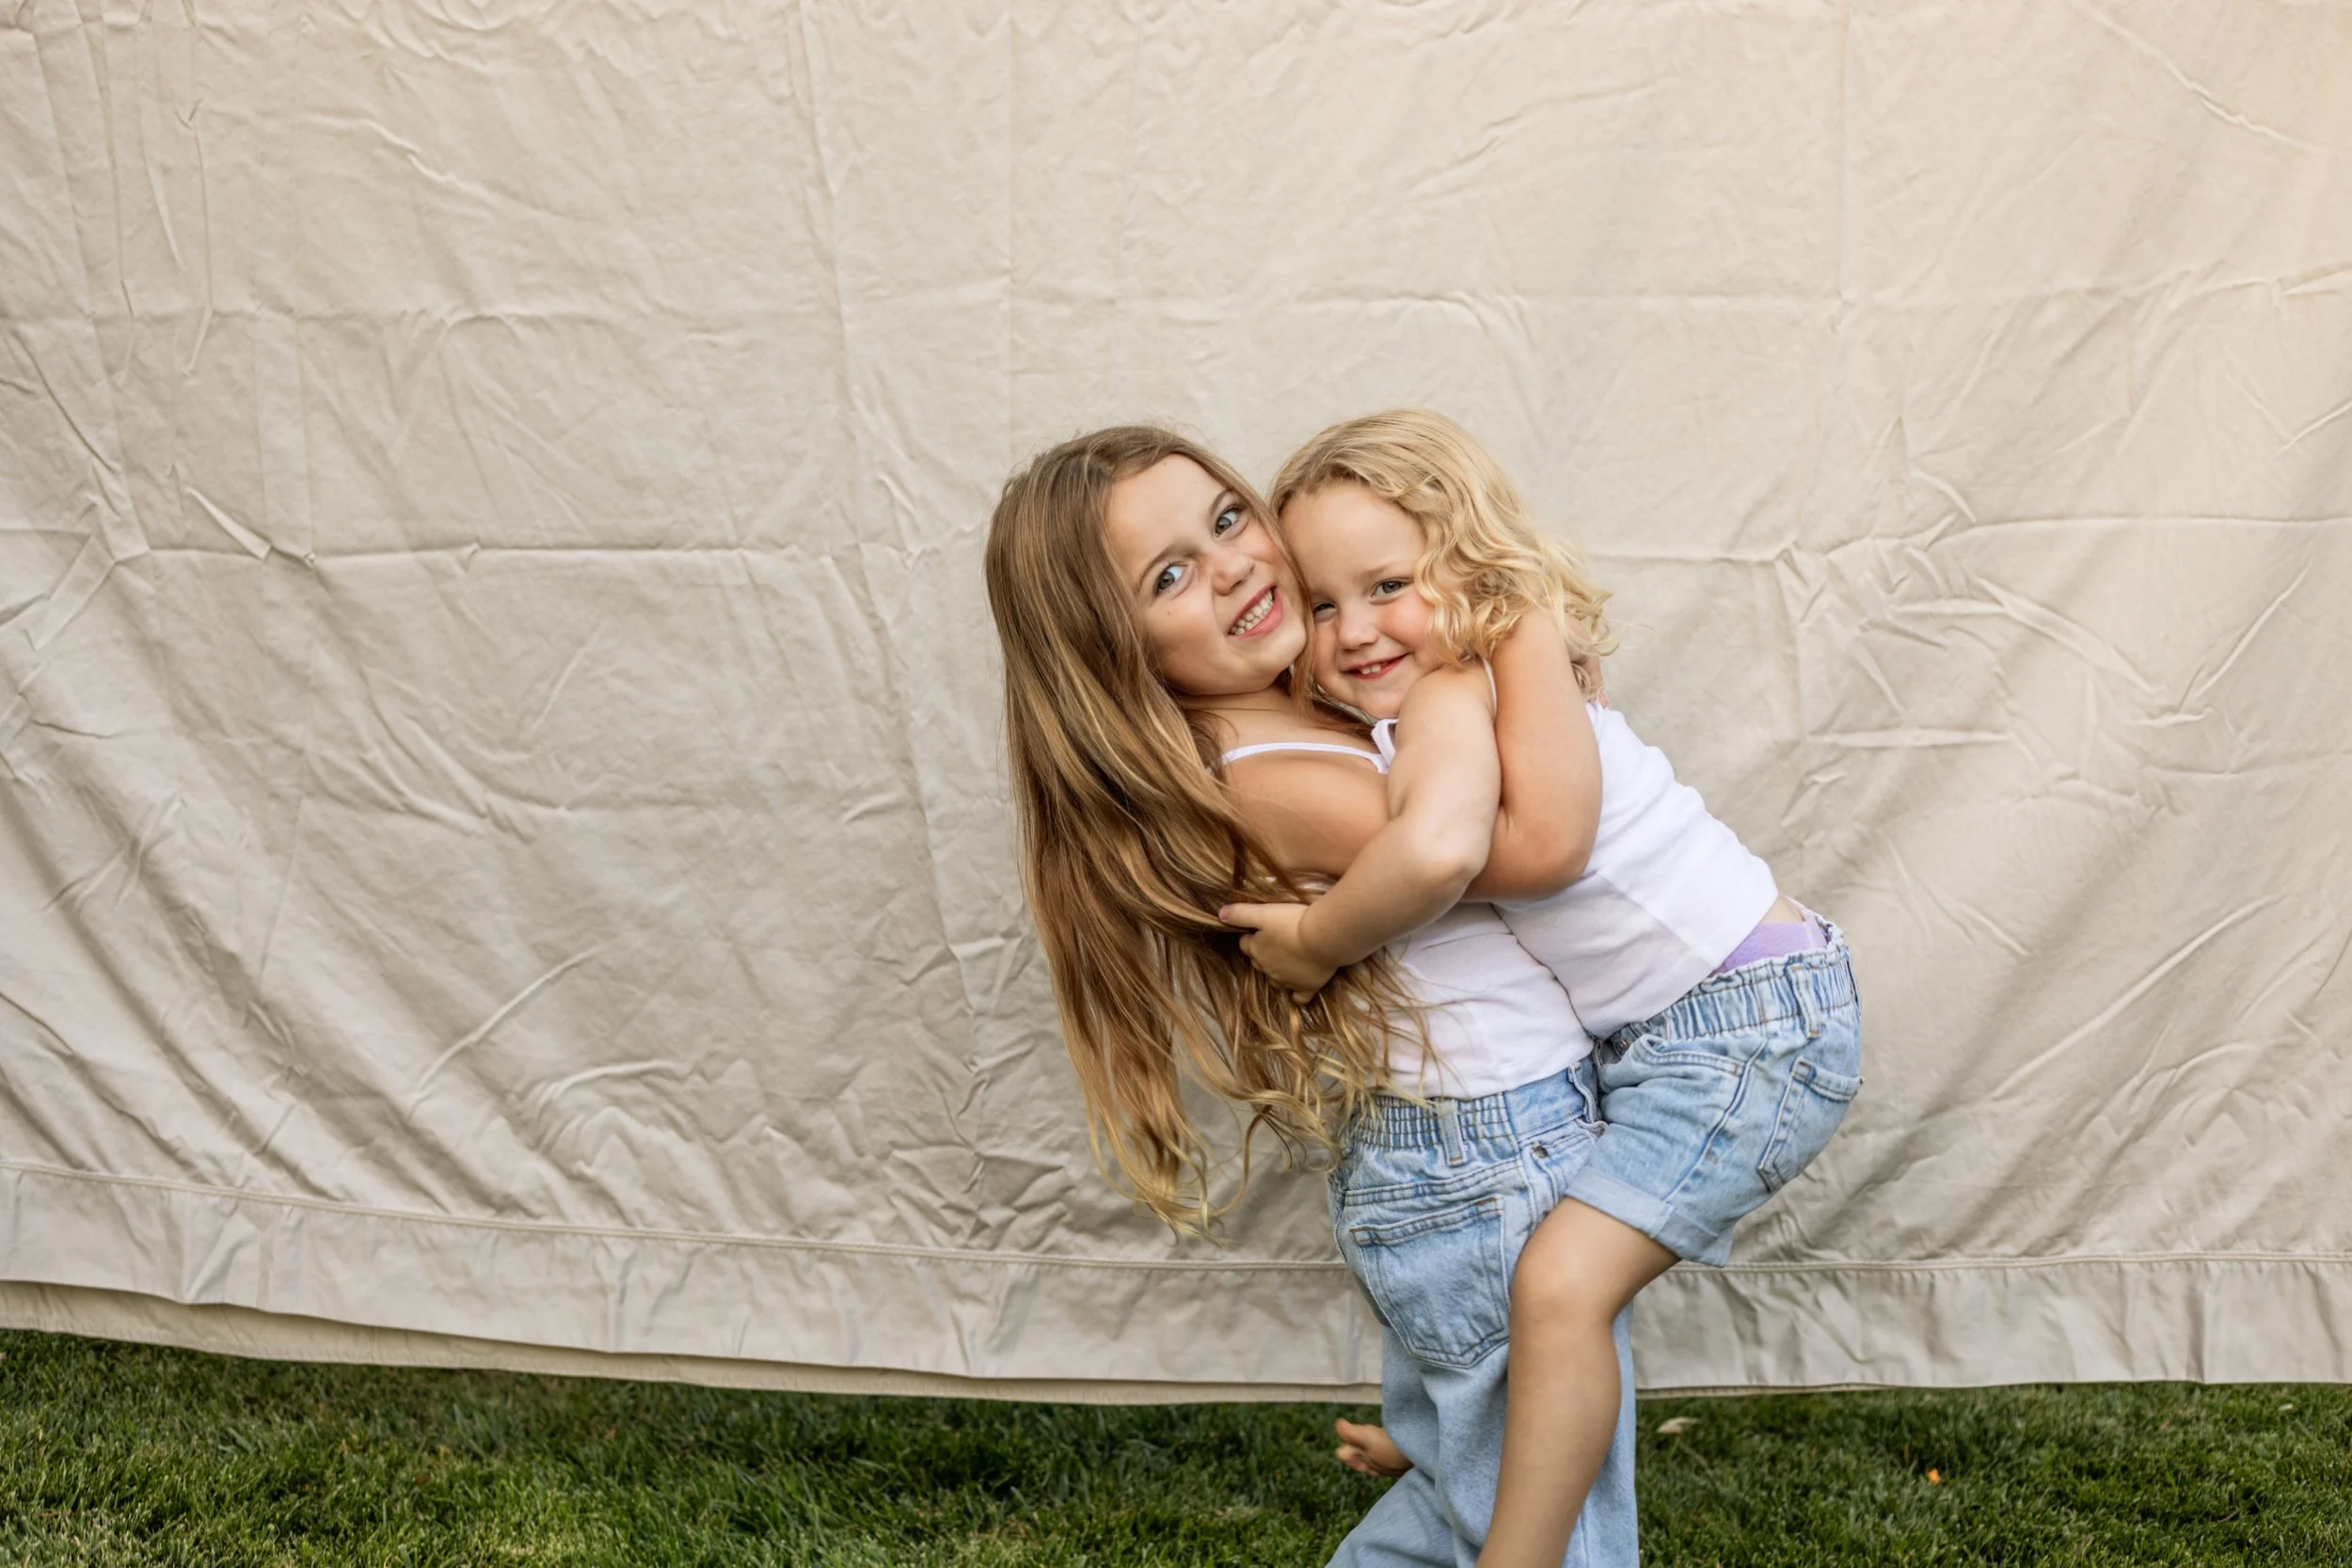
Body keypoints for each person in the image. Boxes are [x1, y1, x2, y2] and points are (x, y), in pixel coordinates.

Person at [984, 425, 1639, 1565]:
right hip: (1482, 1160)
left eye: (1228, 519)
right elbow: (1527, 835)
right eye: (1171, 575)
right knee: (1549, 1527)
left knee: (1474, 1500)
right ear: (1112, 653)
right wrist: (1488, 644)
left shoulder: (1309, 707)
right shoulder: (1266, 779)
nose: (1234, 564)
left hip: (1479, 1155)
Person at [1223, 409, 1865, 1568]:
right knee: (1534, 1282)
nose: (1353, 629)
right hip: (1692, 1027)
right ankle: (1457, 1453)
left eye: (1386, 585)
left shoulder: (1460, 684)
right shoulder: (1462, 684)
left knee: (1557, 1285)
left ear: (1466, 567)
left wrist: (1319, 938)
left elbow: (1528, 852)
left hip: (1749, 1029)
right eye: (1320, 604)